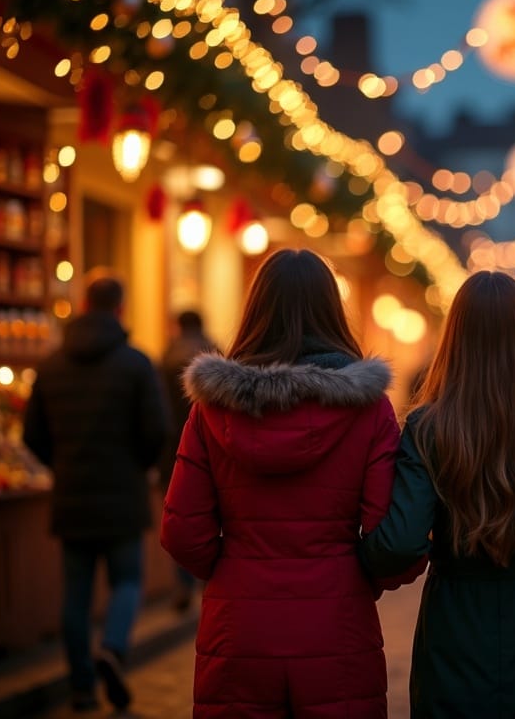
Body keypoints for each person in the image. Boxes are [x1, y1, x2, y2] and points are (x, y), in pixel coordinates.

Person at [159, 248, 402, 718]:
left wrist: (236, 570)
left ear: (255, 311)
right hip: (338, 625)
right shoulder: (369, 411)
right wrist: (355, 577)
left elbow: (182, 532)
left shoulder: (211, 411)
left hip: (238, 628)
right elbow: (390, 538)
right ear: (332, 310)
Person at [360, 271, 515, 718]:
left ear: (455, 339)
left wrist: (361, 555)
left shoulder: (427, 427)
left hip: (454, 625)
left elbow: (401, 540)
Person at [23, 270, 168, 713]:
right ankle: (114, 648)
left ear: (84, 305)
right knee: (127, 580)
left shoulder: (50, 366)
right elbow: (157, 430)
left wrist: (62, 466)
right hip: (122, 494)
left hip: (71, 496)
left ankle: (82, 688)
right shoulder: (136, 364)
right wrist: (136, 467)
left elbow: (32, 435)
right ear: (120, 308)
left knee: (76, 595)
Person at [157, 310, 217, 613]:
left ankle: (183, 584)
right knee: (214, 516)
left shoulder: (167, 357)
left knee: (183, 514)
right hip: (214, 448)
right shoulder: (217, 356)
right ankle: (209, 583)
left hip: (174, 450)